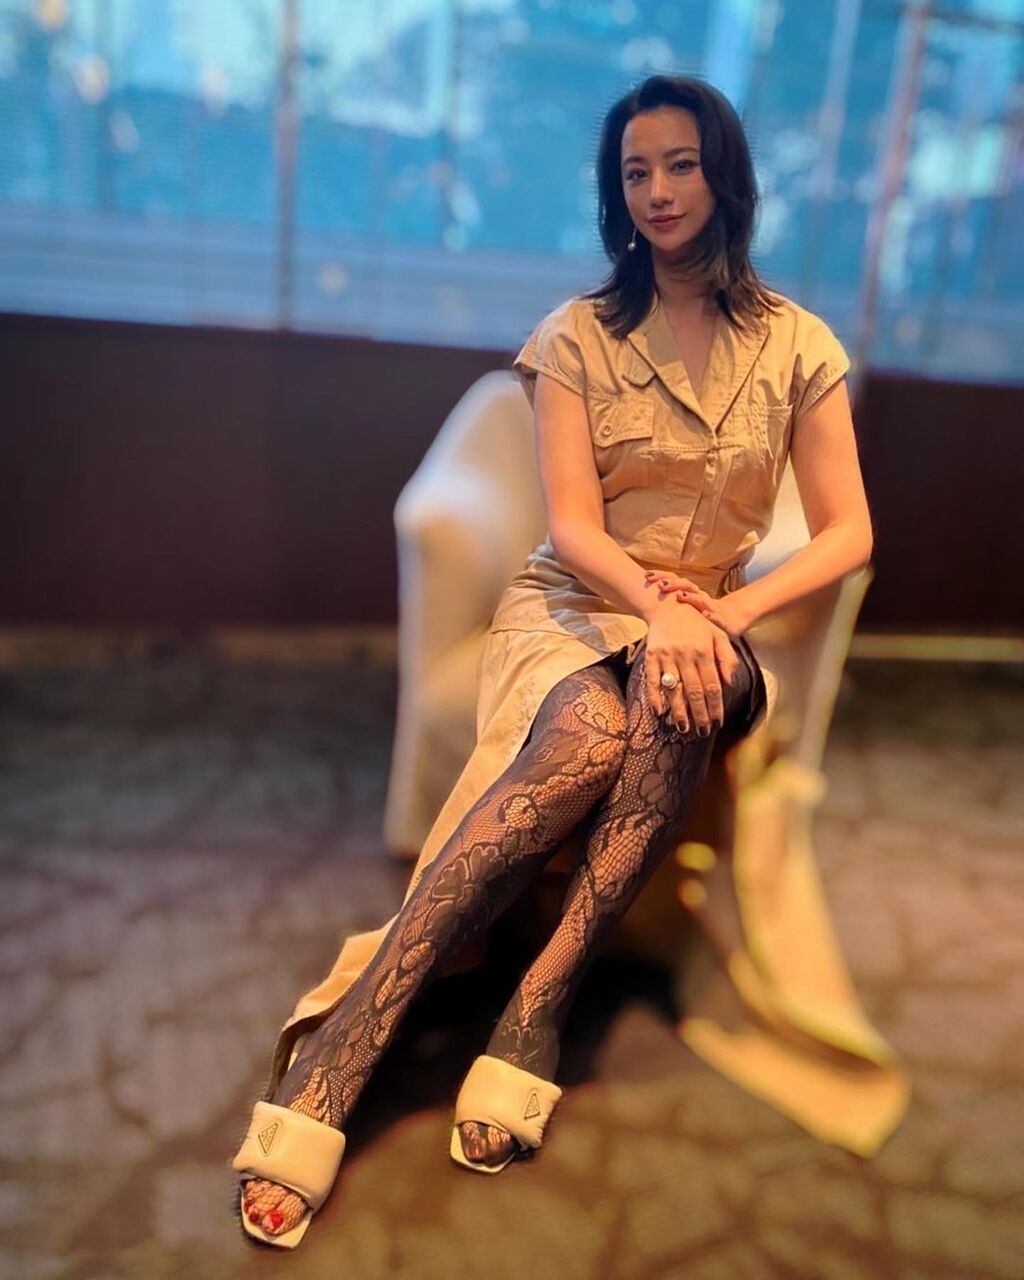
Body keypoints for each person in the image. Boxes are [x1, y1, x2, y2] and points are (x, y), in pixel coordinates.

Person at [231, 72, 878, 1248]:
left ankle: (537, 1002)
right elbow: (574, 527)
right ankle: (355, 1033)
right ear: (615, 196)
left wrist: (719, 616)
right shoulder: (577, 334)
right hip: (577, 603)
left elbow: (848, 533)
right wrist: (657, 613)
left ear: (725, 175)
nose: (658, 189)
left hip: (714, 621)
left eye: (679, 163)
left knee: (678, 701)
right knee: (592, 727)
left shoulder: (799, 344)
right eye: (635, 172)